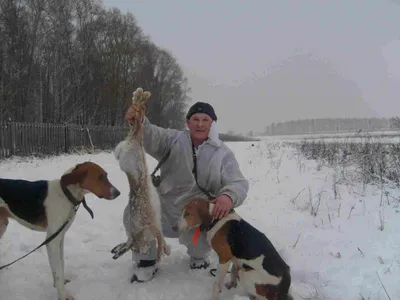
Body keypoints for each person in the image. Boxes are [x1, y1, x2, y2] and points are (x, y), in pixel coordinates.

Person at [124, 99, 249, 282]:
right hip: (165, 208)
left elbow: (238, 182)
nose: (200, 124)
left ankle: (199, 257)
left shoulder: (223, 153)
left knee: (205, 226)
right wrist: (139, 121)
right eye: (195, 119)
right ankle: (146, 261)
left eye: (205, 119)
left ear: (212, 123)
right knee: (134, 214)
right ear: (188, 122)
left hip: (198, 215)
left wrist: (228, 196)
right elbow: (151, 136)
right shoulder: (173, 139)